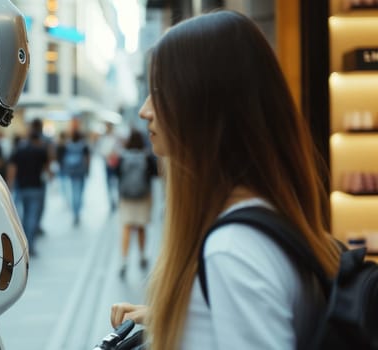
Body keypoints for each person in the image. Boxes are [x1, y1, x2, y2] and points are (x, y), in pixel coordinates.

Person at [109, 10, 340, 350]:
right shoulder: (264, 222)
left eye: (160, 90)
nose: (145, 110)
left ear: (205, 104)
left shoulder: (232, 253)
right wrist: (178, 316)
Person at [116, 128, 157, 279]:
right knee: (141, 227)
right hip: (143, 196)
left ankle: (124, 260)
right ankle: (141, 256)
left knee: (126, 227)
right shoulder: (146, 156)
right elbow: (155, 174)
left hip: (126, 198)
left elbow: (117, 174)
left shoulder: (123, 156)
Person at [7, 125, 51, 257]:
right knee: (32, 216)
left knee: (23, 215)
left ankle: (23, 244)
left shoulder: (19, 150)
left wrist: (10, 184)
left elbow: (12, 168)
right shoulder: (41, 151)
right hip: (36, 187)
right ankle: (30, 245)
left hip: (22, 187)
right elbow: (47, 168)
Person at [61, 129, 90, 226]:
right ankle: (77, 212)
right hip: (81, 171)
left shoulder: (68, 145)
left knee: (74, 192)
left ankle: (75, 212)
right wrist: (87, 170)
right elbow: (87, 159)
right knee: (80, 192)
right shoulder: (83, 145)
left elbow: (65, 158)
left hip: (72, 172)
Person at [97, 122, 123, 212]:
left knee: (117, 183)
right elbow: (101, 151)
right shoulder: (103, 138)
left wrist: (114, 154)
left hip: (116, 163)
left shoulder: (116, 138)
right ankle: (112, 201)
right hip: (108, 163)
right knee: (109, 183)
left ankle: (117, 199)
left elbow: (120, 150)